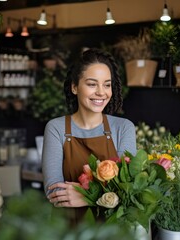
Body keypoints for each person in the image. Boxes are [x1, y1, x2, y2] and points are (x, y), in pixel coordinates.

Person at [41, 48, 137, 225]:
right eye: (92, 84)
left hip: (112, 230)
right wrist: (107, 193)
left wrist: (85, 196)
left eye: (107, 84)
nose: (101, 92)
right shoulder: (56, 128)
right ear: (75, 87)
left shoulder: (123, 128)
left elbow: (130, 189)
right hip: (68, 230)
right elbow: (53, 192)